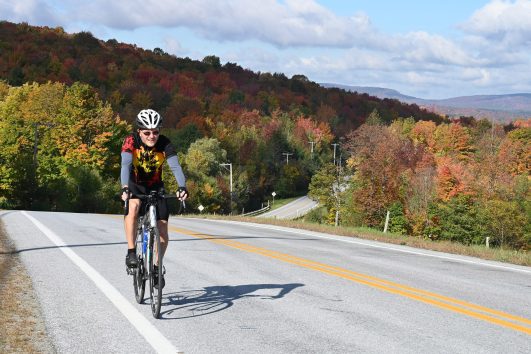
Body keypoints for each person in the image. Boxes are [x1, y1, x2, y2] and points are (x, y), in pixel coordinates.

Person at [120, 108, 188, 289]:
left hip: (156, 187)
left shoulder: (165, 144)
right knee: (133, 208)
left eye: (155, 132)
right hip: (135, 185)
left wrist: (182, 187)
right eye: (147, 132)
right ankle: (131, 252)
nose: (152, 136)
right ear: (139, 131)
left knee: (163, 231)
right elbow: (125, 165)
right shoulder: (130, 141)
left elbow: (175, 167)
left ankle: (157, 267)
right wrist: (125, 188)